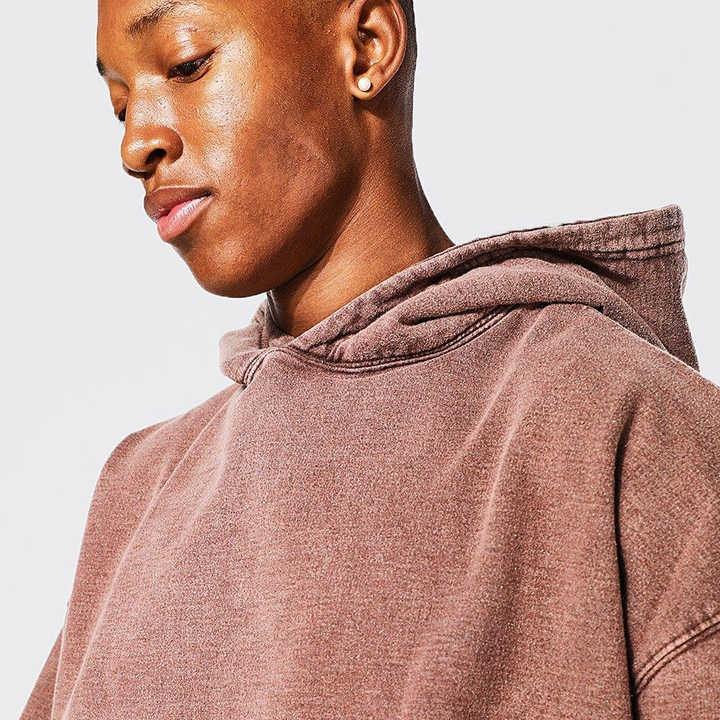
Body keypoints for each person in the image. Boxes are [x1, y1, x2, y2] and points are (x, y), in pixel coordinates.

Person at [20, 1, 720, 718]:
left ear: (366, 46)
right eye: (120, 105)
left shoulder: (619, 419)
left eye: (186, 64)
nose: (135, 144)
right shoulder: (139, 492)